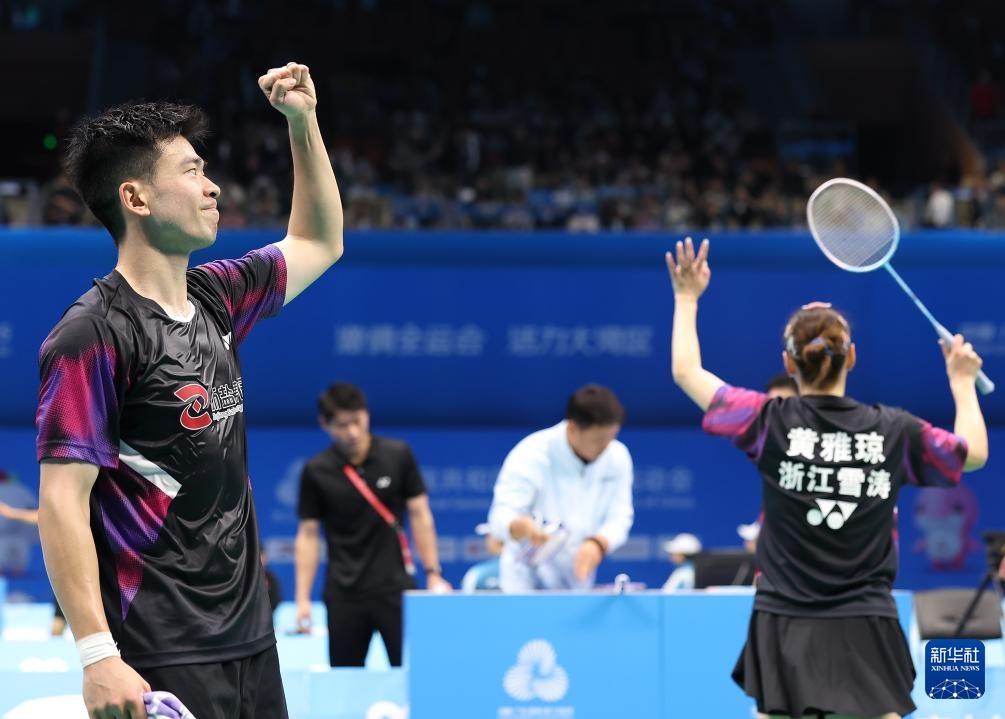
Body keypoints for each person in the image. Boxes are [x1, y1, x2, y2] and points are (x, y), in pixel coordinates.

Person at [36, 62, 344, 719]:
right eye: (192, 171)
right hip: (160, 648)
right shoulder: (92, 335)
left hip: (250, 636)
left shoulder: (215, 297)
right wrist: (97, 655)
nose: (212, 187)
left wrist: (303, 122)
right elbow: (63, 501)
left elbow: (319, 240)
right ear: (136, 198)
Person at [666, 237, 987, 719]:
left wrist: (687, 297)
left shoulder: (768, 421)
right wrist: (962, 384)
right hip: (866, 618)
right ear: (851, 357)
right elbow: (974, 454)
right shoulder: (894, 431)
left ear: (788, 363)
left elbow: (686, 372)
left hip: (783, 617)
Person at [294, 382, 451, 667]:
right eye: (342, 425)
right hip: (344, 594)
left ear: (367, 414)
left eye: (357, 421)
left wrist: (433, 573)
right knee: (345, 680)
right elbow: (308, 534)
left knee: (411, 675)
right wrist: (302, 598)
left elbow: (420, 514)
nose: (352, 432)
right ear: (325, 424)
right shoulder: (316, 470)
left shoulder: (398, 455)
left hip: (396, 590)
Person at [487, 384, 634, 592]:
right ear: (573, 428)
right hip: (524, 582)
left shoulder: (617, 457)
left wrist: (599, 543)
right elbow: (500, 516)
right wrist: (520, 526)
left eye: (611, 438)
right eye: (599, 440)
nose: (606, 447)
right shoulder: (531, 454)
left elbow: (620, 517)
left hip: (577, 579)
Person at [0, 501, 67, 636]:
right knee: (57, 626)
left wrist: (12, 513)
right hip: (67, 579)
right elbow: (46, 516)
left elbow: (46, 516)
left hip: (84, 577)